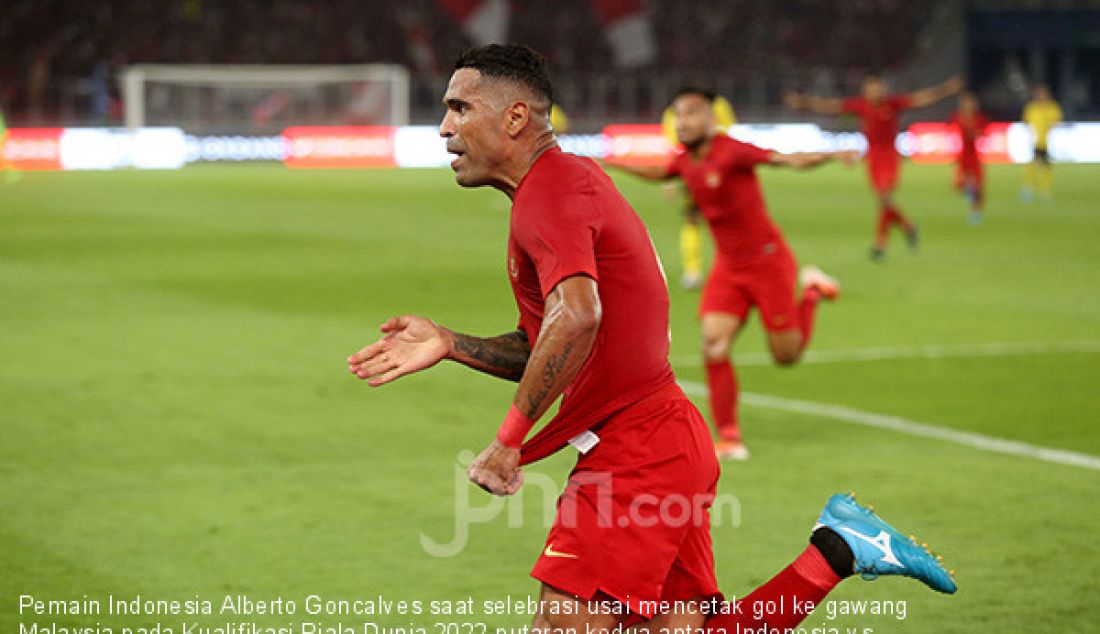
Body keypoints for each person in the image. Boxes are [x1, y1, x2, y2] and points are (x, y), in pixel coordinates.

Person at [348, 44, 955, 631]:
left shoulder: (551, 192)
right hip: (659, 439)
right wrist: (451, 342)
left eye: (459, 109)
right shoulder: (555, 190)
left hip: (638, 450)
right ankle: (837, 550)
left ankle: (841, 545)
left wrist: (509, 440)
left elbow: (577, 316)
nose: (443, 128)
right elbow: (550, 344)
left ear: (514, 118)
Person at [606, 87, 853, 461]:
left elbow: (788, 159)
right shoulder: (685, 160)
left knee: (787, 356)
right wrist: (606, 163)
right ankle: (730, 436)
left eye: (691, 113)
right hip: (729, 267)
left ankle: (813, 291)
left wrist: (833, 153)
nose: (683, 121)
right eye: (678, 114)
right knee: (713, 344)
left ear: (710, 118)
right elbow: (658, 171)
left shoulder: (732, 150)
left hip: (768, 263)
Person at [786, 74, 963, 260]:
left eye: (877, 88)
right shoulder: (861, 106)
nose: (874, 92)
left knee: (884, 197)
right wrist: (804, 102)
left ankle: (881, 244)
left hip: (889, 157)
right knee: (883, 200)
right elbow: (832, 106)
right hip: (872, 158)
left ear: (883, 90)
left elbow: (920, 98)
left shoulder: (892, 104)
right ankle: (907, 226)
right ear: (865, 91)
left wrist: (946, 89)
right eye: (870, 89)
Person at [661, 94, 736, 290]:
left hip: (702, 168)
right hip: (700, 169)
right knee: (697, 219)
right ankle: (696, 271)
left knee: (698, 220)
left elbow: (674, 141)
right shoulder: (719, 105)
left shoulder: (677, 109)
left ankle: (695, 271)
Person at [949, 91, 990, 225]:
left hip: (974, 156)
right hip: (962, 156)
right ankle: (969, 192)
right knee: (958, 185)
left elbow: (984, 133)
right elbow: (952, 131)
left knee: (978, 186)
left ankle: (975, 212)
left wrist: (979, 135)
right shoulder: (958, 118)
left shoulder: (979, 119)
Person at [1021, 83, 1063, 202]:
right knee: (1032, 165)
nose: (1041, 96)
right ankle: (1029, 188)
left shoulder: (1052, 107)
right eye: (1039, 94)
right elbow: (1026, 120)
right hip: (1035, 141)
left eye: (1043, 94)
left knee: (1045, 167)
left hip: (1047, 142)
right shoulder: (1032, 107)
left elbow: (1057, 120)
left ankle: (1045, 190)